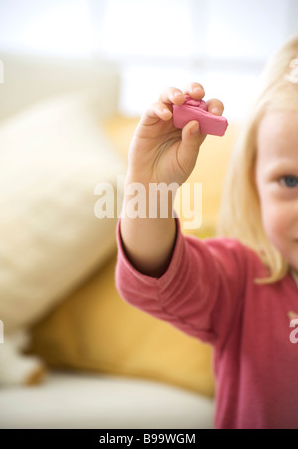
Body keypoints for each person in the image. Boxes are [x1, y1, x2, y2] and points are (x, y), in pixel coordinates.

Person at [115, 33, 298, 429]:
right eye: (290, 182)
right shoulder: (242, 279)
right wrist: (150, 188)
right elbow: (157, 276)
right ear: (253, 185)